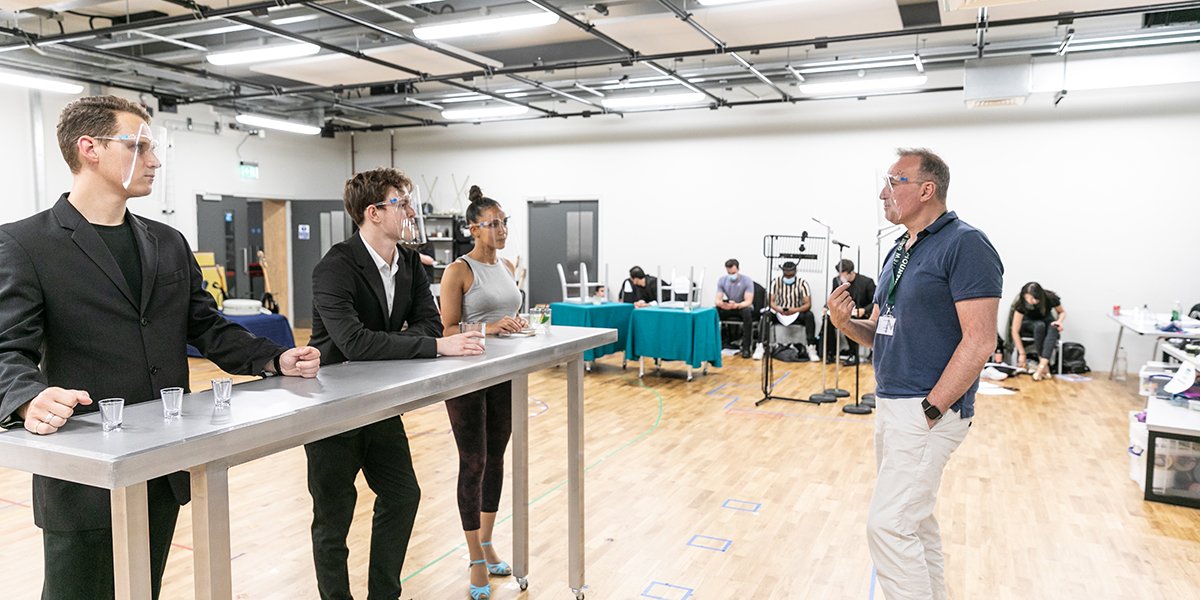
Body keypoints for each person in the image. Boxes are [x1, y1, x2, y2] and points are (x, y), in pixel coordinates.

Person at [0, 95, 322, 600]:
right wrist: (26, 398)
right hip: (83, 472)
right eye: (139, 145)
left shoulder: (167, 241)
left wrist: (273, 357)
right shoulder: (25, 244)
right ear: (90, 149)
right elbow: (6, 350)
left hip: (161, 464)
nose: (154, 159)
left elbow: (205, 325)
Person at [827, 148, 1002, 600]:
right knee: (915, 522)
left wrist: (932, 408)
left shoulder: (966, 244)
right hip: (892, 402)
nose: (882, 192)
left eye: (894, 180)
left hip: (926, 409)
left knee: (888, 525)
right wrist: (846, 323)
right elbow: (883, 330)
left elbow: (980, 340)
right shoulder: (900, 249)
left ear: (927, 189)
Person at [306, 168, 485, 600]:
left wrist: (392, 343)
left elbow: (428, 321)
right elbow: (351, 342)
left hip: (380, 403)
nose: (408, 212)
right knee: (333, 518)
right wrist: (432, 347)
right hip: (332, 408)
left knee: (403, 496)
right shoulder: (335, 266)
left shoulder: (407, 263)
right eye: (400, 203)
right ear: (373, 213)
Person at [438, 185, 526, 600]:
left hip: (503, 371)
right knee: (473, 461)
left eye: (504, 222)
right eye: (493, 224)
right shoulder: (458, 270)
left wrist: (516, 323)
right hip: (467, 376)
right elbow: (447, 330)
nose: (502, 229)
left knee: (496, 457)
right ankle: (474, 556)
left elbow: (508, 312)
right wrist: (489, 328)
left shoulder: (506, 265)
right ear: (473, 228)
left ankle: (488, 540)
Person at [1006, 281, 1066, 381]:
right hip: (1029, 324)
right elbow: (1014, 331)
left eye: (1033, 299)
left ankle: (1040, 367)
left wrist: (1059, 321)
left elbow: (1062, 312)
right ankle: (1044, 368)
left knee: (1053, 328)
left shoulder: (1050, 297)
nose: (1030, 301)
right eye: (1027, 298)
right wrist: (1022, 354)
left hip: (1047, 321)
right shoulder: (1021, 304)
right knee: (1040, 326)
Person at [823, 259, 876, 365]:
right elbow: (833, 297)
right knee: (827, 320)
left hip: (860, 314)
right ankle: (830, 353)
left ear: (851, 273)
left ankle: (853, 354)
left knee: (849, 322)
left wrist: (864, 310)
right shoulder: (837, 281)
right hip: (845, 312)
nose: (841, 277)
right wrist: (826, 307)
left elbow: (876, 302)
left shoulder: (867, 282)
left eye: (843, 274)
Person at [766, 261, 819, 361]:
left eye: (791, 275)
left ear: (795, 272)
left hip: (796, 312)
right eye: (786, 275)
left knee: (809, 315)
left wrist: (795, 310)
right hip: (780, 312)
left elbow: (808, 304)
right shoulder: (775, 282)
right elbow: (771, 301)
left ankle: (811, 347)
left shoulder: (802, 283)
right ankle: (762, 345)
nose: (788, 277)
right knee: (766, 315)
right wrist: (778, 309)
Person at [715, 258, 756, 358]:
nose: (731, 275)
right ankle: (716, 344)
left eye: (733, 272)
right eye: (729, 273)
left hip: (742, 307)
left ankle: (746, 348)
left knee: (747, 312)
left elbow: (748, 301)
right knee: (713, 311)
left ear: (738, 269)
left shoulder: (747, 281)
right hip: (730, 306)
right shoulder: (722, 280)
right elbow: (717, 299)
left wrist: (736, 305)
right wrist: (722, 304)